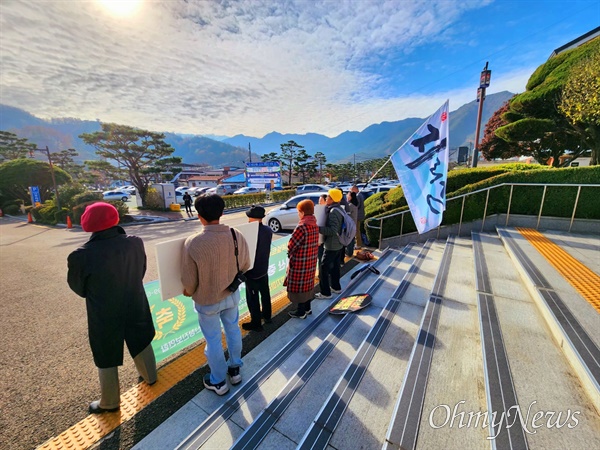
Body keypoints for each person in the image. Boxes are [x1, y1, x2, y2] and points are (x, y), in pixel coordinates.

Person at [67, 202, 157, 414]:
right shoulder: (135, 242)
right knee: (141, 338)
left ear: (88, 224)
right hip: (135, 301)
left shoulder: (80, 255)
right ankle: (150, 376)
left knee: (105, 352)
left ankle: (109, 401)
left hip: (104, 311)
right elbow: (141, 270)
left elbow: (79, 288)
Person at [181, 194, 250, 395]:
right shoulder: (236, 234)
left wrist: (188, 291)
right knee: (233, 330)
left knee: (213, 339)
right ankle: (235, 369)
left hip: (207, 301)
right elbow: (246, 264)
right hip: (231, 295)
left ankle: (218, 381)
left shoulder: (193, 242)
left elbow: (189, 282)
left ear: (199, 216)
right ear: (221, 212)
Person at [285, 199, 320, 319]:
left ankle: (301, 312)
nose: (298, 214)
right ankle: (308, 308)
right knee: (308, 284)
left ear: (303, 212)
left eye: (298, 212)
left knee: (300, 286)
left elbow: (292, 245)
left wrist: (289, 253)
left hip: (300, 262)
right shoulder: (314, 224)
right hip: (310, 260)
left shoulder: (302, 226)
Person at [242, 205, 273, 332]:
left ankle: (256, 323)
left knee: (252, 298)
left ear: (251, 218)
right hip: (263, 268)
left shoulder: (249, 233)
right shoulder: (268, 230)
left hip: (251, 272)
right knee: (265, 293)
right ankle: (267, 316)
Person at [315, 189, 344, 299]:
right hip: (339, 244)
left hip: (332, 245)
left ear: (333, 199)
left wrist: (318, 228)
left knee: (323, 268)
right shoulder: (339, 208)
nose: (326, 198)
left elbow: (333, 230)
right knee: (335, 267)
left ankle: (325, 293)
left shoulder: (333, 212)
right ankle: (336, 287)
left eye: (328, 197)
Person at [345, 191, 359, 257]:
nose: (347, 196)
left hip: (350, 225)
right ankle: (350, 252)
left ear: (351, 197)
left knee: (349, 240)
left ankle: (349, 253)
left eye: (348, 195)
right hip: (353, 224)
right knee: (352, 239)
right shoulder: (354, 204)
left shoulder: (350, 205)